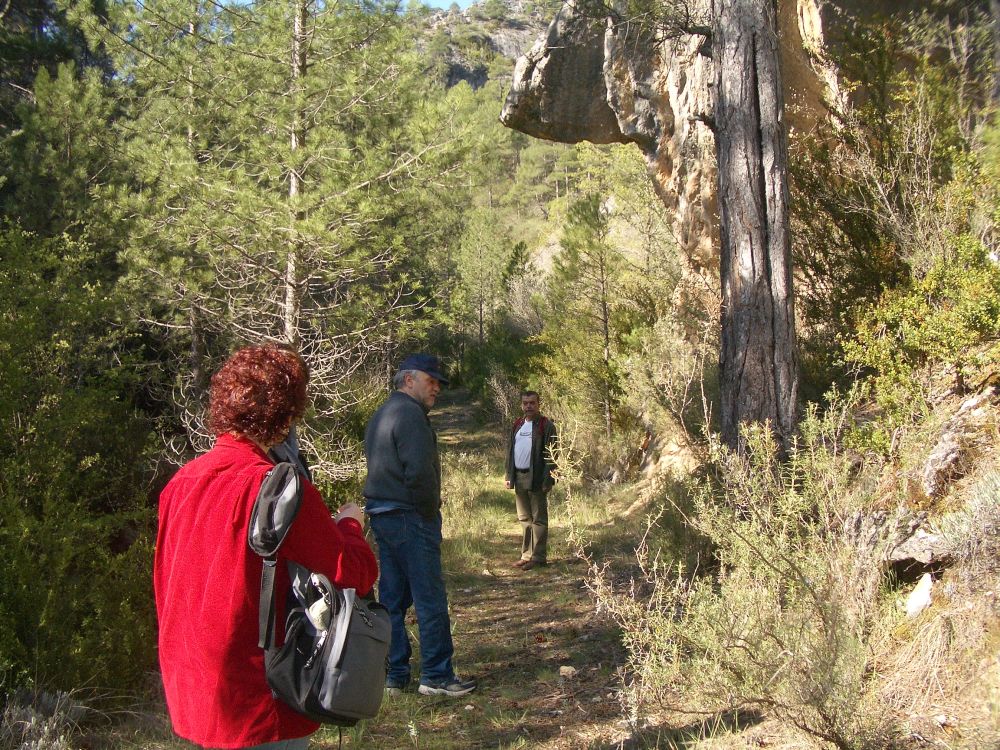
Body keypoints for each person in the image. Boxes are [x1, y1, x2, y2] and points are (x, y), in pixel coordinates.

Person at [154, 346, 378, 750]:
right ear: (284, 416)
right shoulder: (279, 490)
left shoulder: (180, 484)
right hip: (259, 698)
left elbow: (164, 586)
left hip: (194, 689)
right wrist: (349, 525)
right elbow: (354, 573)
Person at [363, 353, 477, 698]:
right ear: (409, 380)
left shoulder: (382, 413)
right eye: (431, 380)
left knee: (392, 599)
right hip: (409, 516)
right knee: (429, 597)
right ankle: (437, 675)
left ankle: (395, 675)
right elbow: (419, 473)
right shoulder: (410, 414)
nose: (437, 388)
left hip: (382, 515)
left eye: (439, 382)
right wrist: (428, 513)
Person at [504, 390, 557, 571]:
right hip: (519, 477)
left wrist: (548, 479)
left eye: (532, 403)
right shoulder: (517, 424)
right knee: (524, 518)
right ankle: (526, 555)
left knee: (539, 519)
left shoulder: (546, 425)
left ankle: (539, 557)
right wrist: (509, 476)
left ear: (538, 404)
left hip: (537, 478)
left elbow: (552, 455)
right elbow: (511, 451)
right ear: (521, 405)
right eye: (525, 403)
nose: (529, 406)